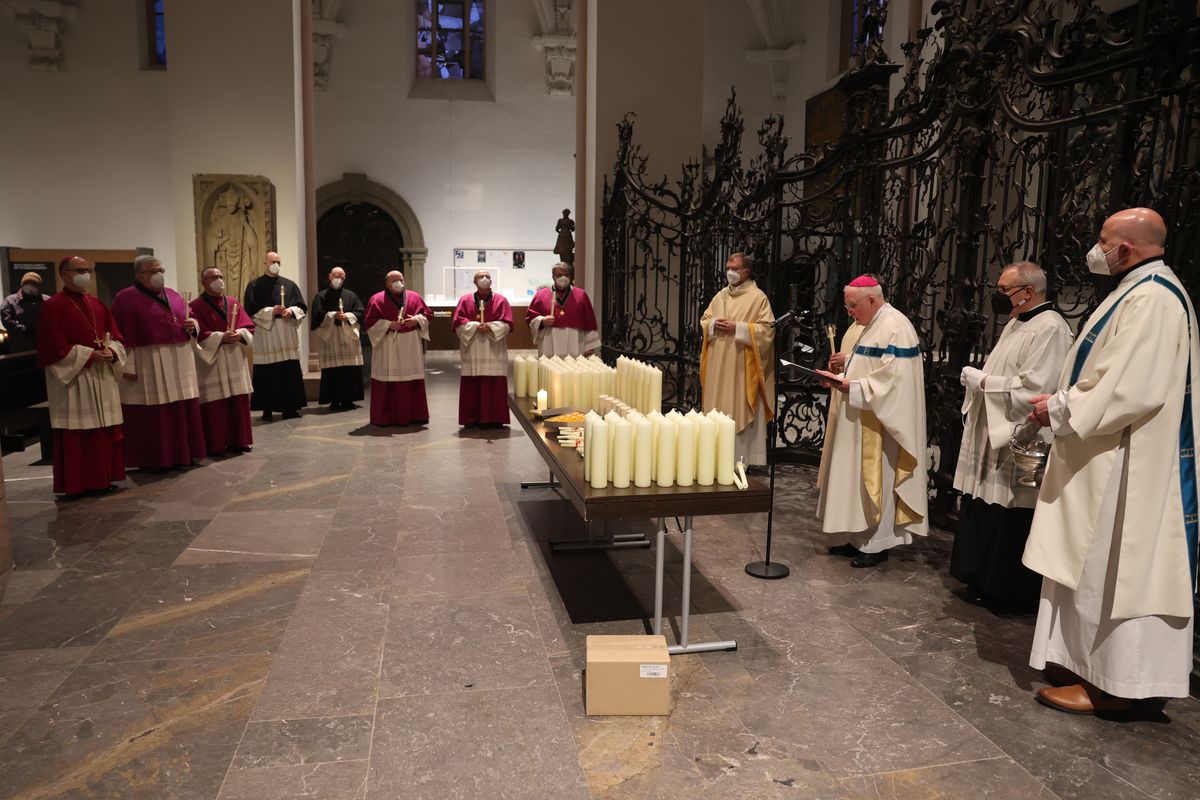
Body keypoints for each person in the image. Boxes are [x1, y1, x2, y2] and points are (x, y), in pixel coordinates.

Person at [1023, 208, 1198, 715]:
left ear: (1126, 249)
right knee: (1092, 560)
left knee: (1115, 562)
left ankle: (1119, 686)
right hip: (1109, 445)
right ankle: (1081, 661)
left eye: (1104, 241)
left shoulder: (1153, 299)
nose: (1095, 249)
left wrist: (1058, 406)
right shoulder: (1138, 290)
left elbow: (1129, 388)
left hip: (1129, 460)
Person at [950, 262, 1072, 612]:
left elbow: (1035, 388)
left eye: (1004, 290)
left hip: (1020, 434)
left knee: (1010, 510)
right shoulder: (1018, 322)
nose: (998, 296)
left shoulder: (1051, 329)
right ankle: (978, 577)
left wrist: (983, 382)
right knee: (985, 503)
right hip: (992, 426)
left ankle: (1004, 590)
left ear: (1028, 292)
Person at [815, 275, 928, 568]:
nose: (849, 312)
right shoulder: (872, 324)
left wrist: (854, 387)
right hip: (860, 416)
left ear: (872, 300)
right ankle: (857, 538)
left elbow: (895, 382)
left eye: (852, 306)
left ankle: (878, 543)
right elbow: (870, 363)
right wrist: (841, 375)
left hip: (882, 423)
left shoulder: (896, 326)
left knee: (880, 478)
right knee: (856, 481)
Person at [36, 256, 127, 496]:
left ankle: (104, 479)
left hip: (100, 375)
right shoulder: (52, 306)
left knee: (103, 430)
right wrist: (89, 355)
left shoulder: (97, 304)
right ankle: (78, 484)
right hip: (75, 378)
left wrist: (112, 351)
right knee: (80, 434)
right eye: (79, 270)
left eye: (88, 270)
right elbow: (52, 347)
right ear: (64, 274)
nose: (85, 274)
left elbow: (116, 336)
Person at [109, 255, 207, 470]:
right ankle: (157, 458)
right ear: (140, 275)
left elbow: (189, 318)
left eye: (160, 270)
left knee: (181, 408)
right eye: (153, 271)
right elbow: (121, 335)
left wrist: (194, 326)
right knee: (155, 412)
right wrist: (128, 366)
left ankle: (184, 453)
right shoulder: (125, 298)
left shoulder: (172, 294)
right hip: (149, 362)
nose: (159, 275)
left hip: (179, 360)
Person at [699, 252, 775, 466]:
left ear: (746, 272)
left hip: (741, 366)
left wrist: (739, 328)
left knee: (738, 408)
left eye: (734, 269)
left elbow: (767, 331)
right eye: (728, 268)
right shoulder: (721, 295)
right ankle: (715, 457)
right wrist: (713, 325)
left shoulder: (758, 298)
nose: (729, 273)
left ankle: (740, 460)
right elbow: (704, 320)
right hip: (718, 364)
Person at [190, 267, 255, 455]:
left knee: (238, 400)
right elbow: (196, 334)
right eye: (214, 278)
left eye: (220, 277)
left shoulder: (233, 302)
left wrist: (240, 334)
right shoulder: (195, 306)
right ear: (204, 282)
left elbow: (248, 326)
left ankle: (239, 441)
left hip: (234, 357)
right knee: (215, 403)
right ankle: (216, 444)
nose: (219, 280)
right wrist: (220, 337)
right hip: (213, 361)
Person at [243, 251, 307, 421]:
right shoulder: (254, 285)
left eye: (278, 261)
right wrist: (271, 311)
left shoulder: (290, 285)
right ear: (265, 262)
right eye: (272, 261)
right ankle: (267, 408)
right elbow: (249, 312)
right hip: (267, 334)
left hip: (286, 333)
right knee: (267, 372)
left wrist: (291, 311)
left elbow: (302, 307)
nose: (275, 264)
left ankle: (290, 408)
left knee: (289, 370)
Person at [364, 270, 432, 426]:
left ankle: (415, 415)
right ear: (387, 283)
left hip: (410, 343)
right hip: (388, 343)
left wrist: (417, 319)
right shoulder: (377, 299)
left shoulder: (414, 297)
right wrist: (388, 324)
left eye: (401, 280)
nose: (399, 283)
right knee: (388, 378)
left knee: (411, 377)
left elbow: (427, 314)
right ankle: (386, 416)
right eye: (395, 281)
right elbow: (369, 322)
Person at [452, 270, 512, 427]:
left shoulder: (501, 300)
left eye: (488, 277)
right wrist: (475, 326)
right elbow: (458, 323)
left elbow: (507, 324)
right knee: (472, 382)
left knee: (494, 381)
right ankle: (471, 418)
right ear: (474, 281)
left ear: (492, 282)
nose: (484, 279)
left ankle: (494, 418)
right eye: (481, 277)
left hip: (494, 349)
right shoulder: (465, 300)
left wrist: (491, 326)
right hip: (473, 347)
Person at [311, 266, 365, 412]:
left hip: (347, 335)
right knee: (332, 371)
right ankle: (334, 401)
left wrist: (348, 316)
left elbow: (360, 312)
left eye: (342, 277)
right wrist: (332, 316)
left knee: (349, 370)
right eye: (336, 276)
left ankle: (348, 400)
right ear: (329, 276)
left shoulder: (351, 296)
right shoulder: (321, 296)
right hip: (331, 336)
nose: (338, 279)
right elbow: (316, 316)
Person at [526, 263, 599, 357]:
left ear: (571, 276)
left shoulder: (581, 295)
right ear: (553, 277)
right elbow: (530, 319)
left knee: (573, 369)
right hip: (549, 341)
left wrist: (590, 345)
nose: (563, 278)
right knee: (548, 370)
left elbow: (589, 321)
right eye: (559, 275)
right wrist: (542, 321)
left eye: (566, 275)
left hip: (575, 342)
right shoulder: (540, 295)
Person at [1, 271, 51, 353]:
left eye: (34, 284)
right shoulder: (10, 300)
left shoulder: (47, 300)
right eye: (27, 283)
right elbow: (6, 320)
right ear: (22, 284)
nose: (30, 286)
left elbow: (54, 319)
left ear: (39, 286)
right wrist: (24, 329)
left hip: (45, 345)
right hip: (20, 346)